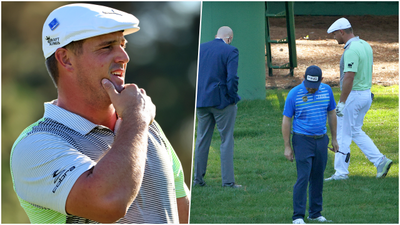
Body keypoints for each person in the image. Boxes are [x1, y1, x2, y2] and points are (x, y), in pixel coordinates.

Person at [10, 3, 189, 224]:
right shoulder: (34, 146)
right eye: (107, 47)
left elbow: (185, 214)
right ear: (65, 59)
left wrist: (137, 121)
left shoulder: (146, 127)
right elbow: (110, 202)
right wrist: (135, 119)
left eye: (123, 45)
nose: (124, 56)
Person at [325, 17, 392, 181]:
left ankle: (341, 173)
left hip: (353, 96)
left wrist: (341, 102)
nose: (334, 38)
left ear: (342, 32)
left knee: (342, 134)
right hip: (366, 95)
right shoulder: (365, 45)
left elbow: (349, 77)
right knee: (354, 130)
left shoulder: (352, 50)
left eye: (335, 34)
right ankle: (380, 161)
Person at [282, 65, 338, 224]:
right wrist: (287, 146)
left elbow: (332, 113)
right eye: (308, 86)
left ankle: (315, 213)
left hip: (321, 139)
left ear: (321, 81)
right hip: (302, 140)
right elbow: (287, 119)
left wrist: (334, 138)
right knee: (303, 177)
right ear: (303, 79)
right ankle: (298, 216)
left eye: (314, 86)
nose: (311, 89)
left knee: (318, 177)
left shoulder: (327, 91)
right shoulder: (294, 93)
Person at [193, 26, 241, 188]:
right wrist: (232, 97)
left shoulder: (200, 48)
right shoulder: (231, 51)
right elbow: (232, 78)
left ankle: (197, 179)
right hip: (222, 102)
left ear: (216, 36)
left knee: (201, 140)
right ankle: (228, 182)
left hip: (201, 101)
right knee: (226, 140)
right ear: (229, 38)